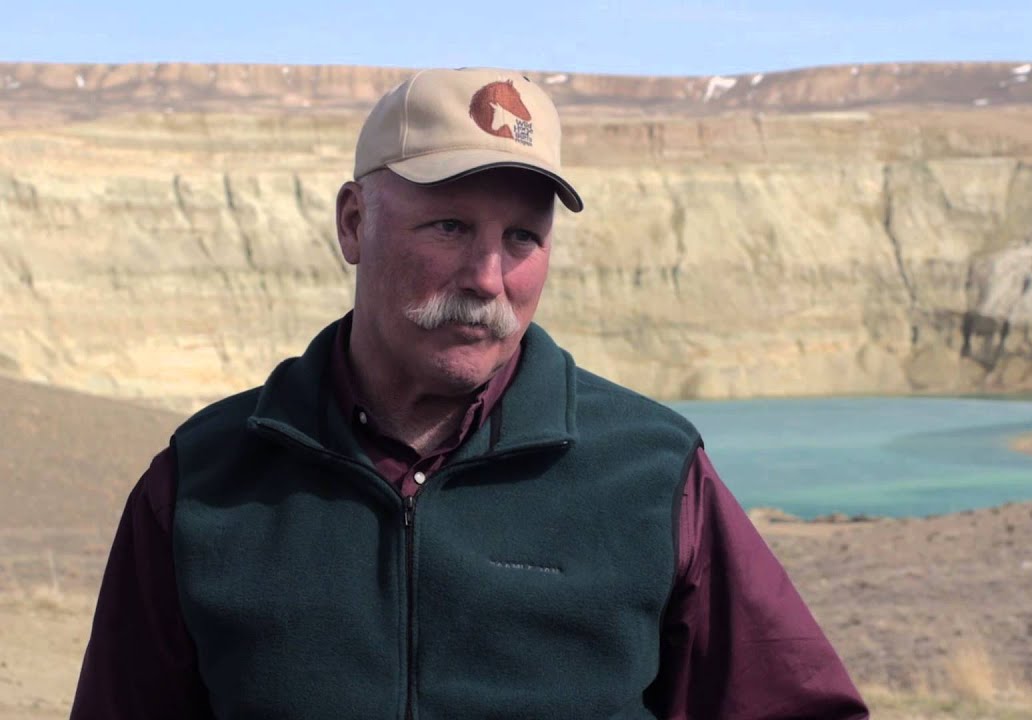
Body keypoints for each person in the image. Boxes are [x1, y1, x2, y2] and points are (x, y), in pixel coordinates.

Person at [71, 67, 869, 719]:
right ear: (354, 224)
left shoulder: (655, 475)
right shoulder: (201, 483)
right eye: (450, 226)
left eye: (522, 237)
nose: (488, 279)